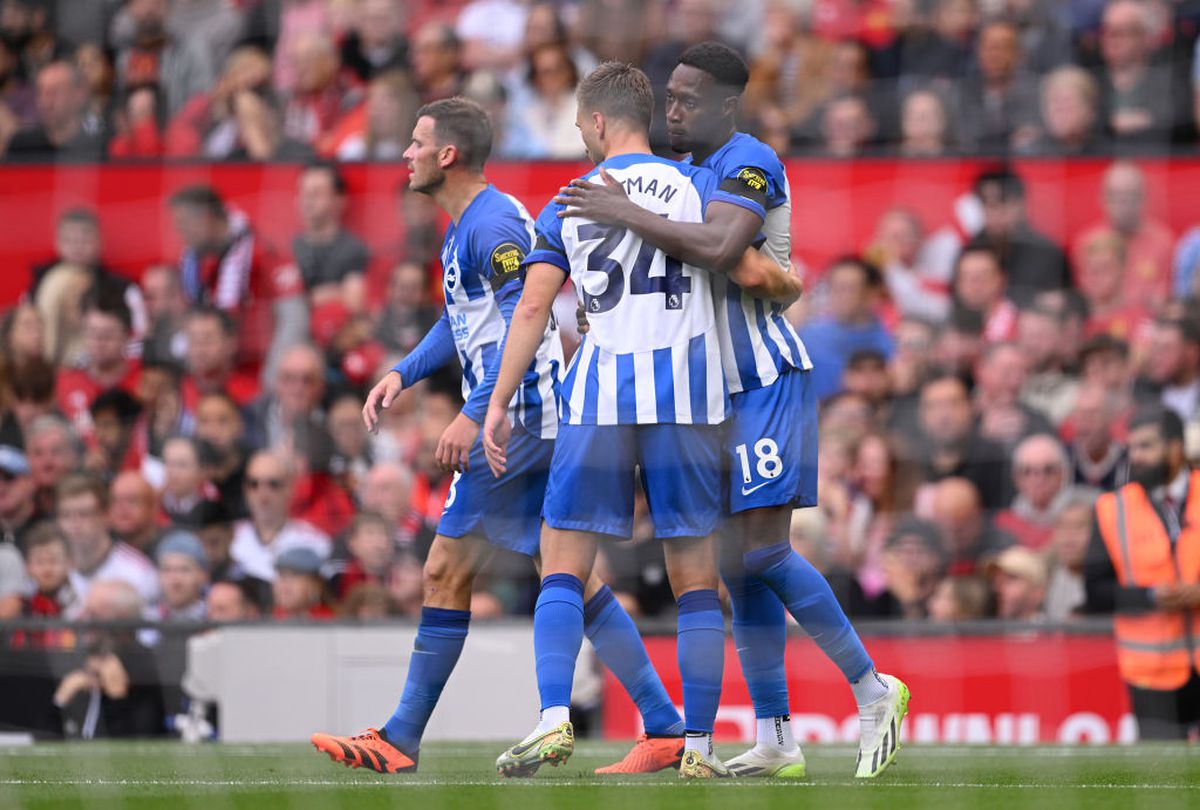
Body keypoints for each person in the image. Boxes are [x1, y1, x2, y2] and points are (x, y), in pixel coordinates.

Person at [554, 42, 907, 779]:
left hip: (763, 380)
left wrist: (620, 207)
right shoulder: (677, 176)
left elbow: (720, 247)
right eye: (668, 97)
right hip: (702, 393)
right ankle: (776, 736)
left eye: (686, 99)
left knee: (766, 552)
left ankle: (874, 691)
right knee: (736, 570)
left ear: (724, 105)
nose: (672, 109)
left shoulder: (751, 159)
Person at [310, 96, 663, 777]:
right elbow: (463, 323)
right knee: (566, 575)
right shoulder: (466, 226)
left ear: (447, 155)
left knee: (446, 568)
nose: (406, 154)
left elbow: (520, 328)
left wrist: (476, 410)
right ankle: (668, 725)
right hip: (531, 417)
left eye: (416, 143)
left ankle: (401, 736)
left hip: (522, 419)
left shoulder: (494, 221)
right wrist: (404, 373)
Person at [1084, 406, 1200, 740]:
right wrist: (1151, 596)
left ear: (1175, 448)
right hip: (1151, 673)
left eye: (1146, 446)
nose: (1136, 456)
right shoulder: (1111, 509)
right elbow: (1095, 592)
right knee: (1161, 784)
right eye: (1132, 447)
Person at [168, 184, 308, 385]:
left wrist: (273, 374)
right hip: (221, 373)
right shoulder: (197, 261)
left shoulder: (262, 250)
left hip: (261, 372)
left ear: (206, 218)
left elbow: (295, 317)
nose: (179, 233)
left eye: (184, 224)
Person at [57, 472, 159, 611]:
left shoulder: (138, 572)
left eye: (84, 514)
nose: (74, 524)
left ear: (106, 515)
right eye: (66, 515)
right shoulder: (50, 569)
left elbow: (148, 631)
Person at [229, 449, 330, 583]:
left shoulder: (314, 543)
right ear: (245, 490)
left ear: (291, 489)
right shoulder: (229, 537)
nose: (262, 493)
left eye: (273, 484)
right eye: (254, 484)